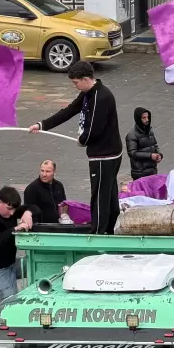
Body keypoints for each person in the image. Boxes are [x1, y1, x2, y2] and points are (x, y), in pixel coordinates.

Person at [28, 62, 123, 235]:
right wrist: (42, 125)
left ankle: (99, 232)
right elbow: (70, 110)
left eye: (76, 82)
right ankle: (110, 228)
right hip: (109, 152)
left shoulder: (100, 97)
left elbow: (95, 128)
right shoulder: (89, 93)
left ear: (86, 79)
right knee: (108, 194)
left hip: (103, 155)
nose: (75, 86)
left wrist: (83, 140)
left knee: (100, 196)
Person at [23, 160, 67, 225]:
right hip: (42, 228)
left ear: (54, 172)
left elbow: (64, 203)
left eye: (48, 171)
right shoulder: (32, 189)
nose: (44, 174)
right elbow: (28, 210)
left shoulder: (59, 186)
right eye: (42, 171)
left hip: (58, 225)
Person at [126, 107, 162, 180]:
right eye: (144, 118)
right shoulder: (132, 135)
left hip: (152, 171)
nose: (147, 120)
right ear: (138, 119)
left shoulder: (150, 131)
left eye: (147, 117)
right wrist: (150, 156)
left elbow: (155, 145)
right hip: (140, 173)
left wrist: (159, 155)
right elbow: (132, 153)